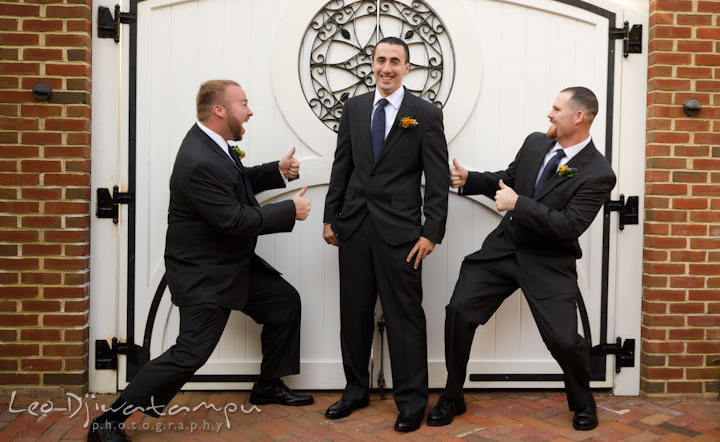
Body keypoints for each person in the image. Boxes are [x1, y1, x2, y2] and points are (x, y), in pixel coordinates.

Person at [88, 80, 314, 442]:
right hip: (204, 274)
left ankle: (269, 385)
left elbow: (235, 182)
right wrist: (290, 210)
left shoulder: (214, 146)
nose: (250, 111)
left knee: (283, 302)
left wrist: (276, 171)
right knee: (189, 353)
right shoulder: (198, 161)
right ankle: (109, 421)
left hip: (230, 263)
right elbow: (233, 220)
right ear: (219, 111)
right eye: (243, 104)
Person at [428, 87, 616, 432]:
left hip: (548, 261)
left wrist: (519, 204)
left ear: (579, 117)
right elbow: (511, 180)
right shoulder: (535, 143)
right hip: (504, 249)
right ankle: (453, 395)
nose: (549, 113)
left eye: (556, 109)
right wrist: (472, 180)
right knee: (459, 311)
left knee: (564, 340)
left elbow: (569, 225)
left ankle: (583, 401)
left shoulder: (598, 172)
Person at [322, 37, 449, 432]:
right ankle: (355, 389)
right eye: (381, 60)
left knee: (405, 319)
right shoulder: (355, 108)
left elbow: (438, 179)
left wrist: (431, 232)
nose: (386, 68)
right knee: (354, 314)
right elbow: (342, 166)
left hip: (403, 235)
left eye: (395, 61)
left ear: (407, 68)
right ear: (371, 64)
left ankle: (411, 402)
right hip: (355, 229)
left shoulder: (424, 114)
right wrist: (330, 217)